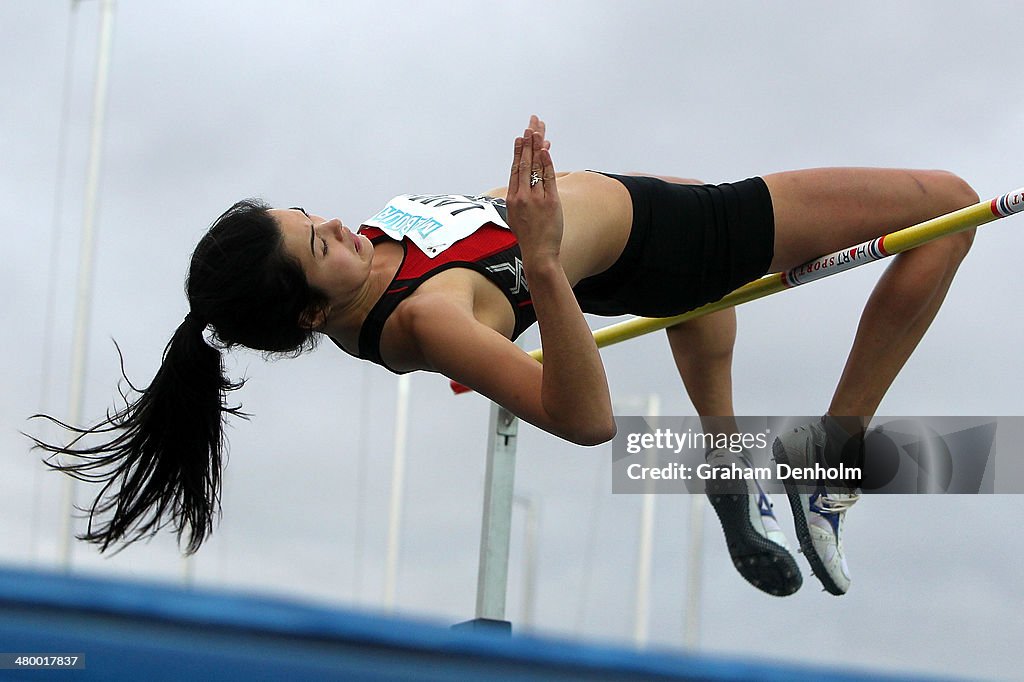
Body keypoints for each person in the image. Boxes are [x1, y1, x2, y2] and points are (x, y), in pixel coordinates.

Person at [32, 116, 978, 597]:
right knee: (945, 206)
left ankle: (728, 474)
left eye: (307, 214)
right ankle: (832, 456)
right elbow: (587, 419)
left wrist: (539, 212)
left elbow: (474, 236)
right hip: (683, 236)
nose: (331, 221)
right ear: (313, 312)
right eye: (316, 242)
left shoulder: (364, 265)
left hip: (634, 225)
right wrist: (538, 253)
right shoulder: (421, 323)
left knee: (703, 314)